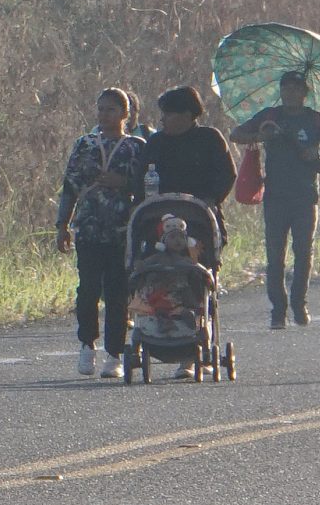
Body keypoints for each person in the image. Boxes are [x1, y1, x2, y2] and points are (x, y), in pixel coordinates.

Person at [230, 71, 320, 329]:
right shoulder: (269, 116)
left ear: (305, 93)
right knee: (275, 255)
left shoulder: (316, 120)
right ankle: (278, 310)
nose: (290, 93)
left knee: (303, 252)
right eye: (286, 88)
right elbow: (236, 134)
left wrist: (318, 152)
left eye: (296, 89)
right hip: (275, 196)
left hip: (306, 197)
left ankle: (299, 304)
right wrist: (260, 137)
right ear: (281, 91)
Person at [55, 87, 143, 378]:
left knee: (118, 291)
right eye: (101, 109)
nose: (105, 115)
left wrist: (124, 182)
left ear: (125, 114)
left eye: (112, 110)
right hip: (89, 226)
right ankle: (86, 345)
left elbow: (147, 185)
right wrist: (62, 225)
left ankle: (115, 353)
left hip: (121, 229)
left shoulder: (135, 147)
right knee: (88, 289)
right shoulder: (85, 144)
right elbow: (70, 185)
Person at [138, 86, 238, 217]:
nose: (162, 119)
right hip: (161, 212)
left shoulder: (210, 138)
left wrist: (212, 198)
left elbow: (227, 174)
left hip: (201, 212)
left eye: (168, 114)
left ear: (187, 115)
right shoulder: (156, 141)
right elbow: (140, 176)